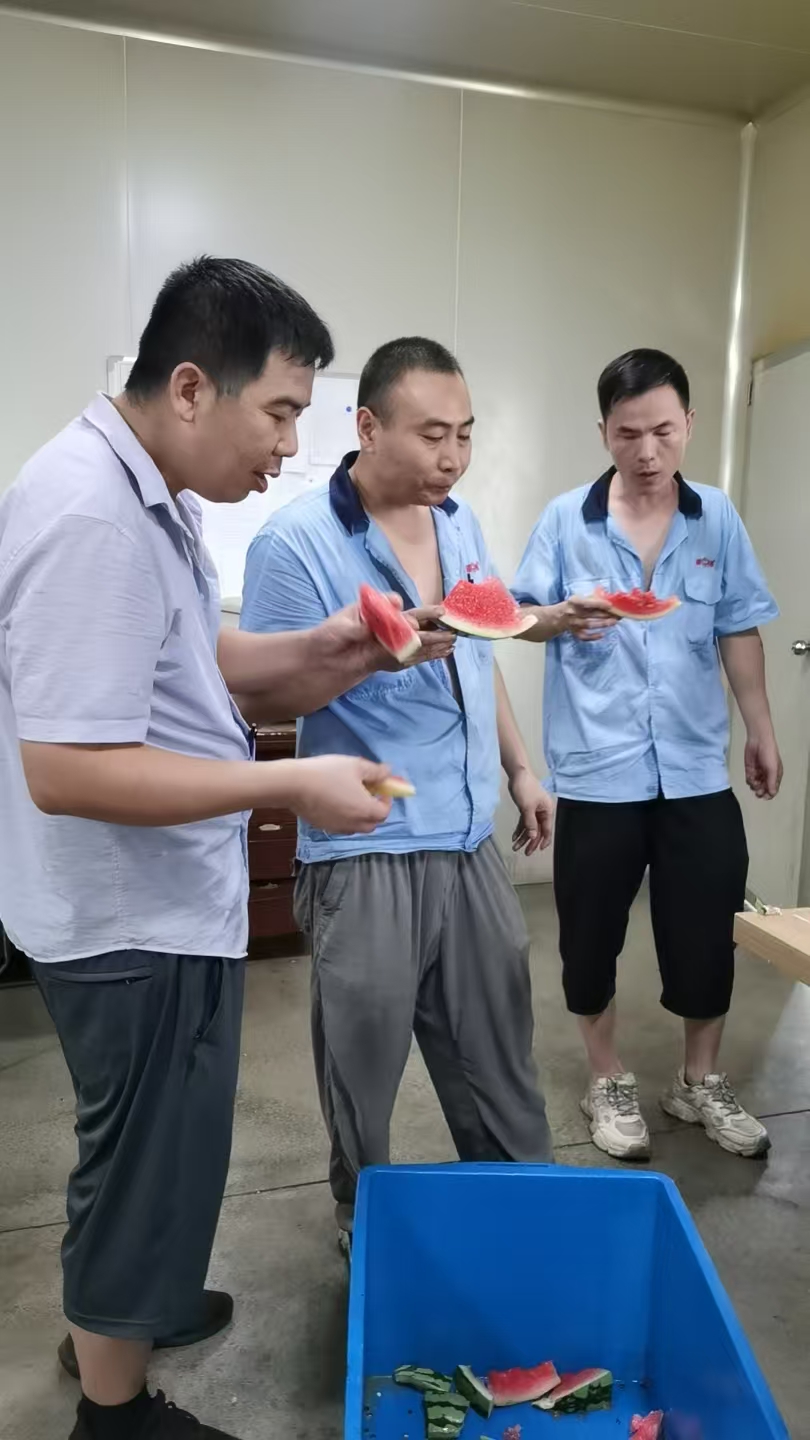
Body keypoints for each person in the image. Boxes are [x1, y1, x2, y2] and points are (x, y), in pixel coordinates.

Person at [0, 258, 449, 1440]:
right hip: (126, 921)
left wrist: (336, 648)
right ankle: (114, 1408)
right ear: (194, 387)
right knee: (138, 1163)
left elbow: (194, 659)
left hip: (166, 905)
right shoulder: (90, 515)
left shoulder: (155, 494)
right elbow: (67, 769)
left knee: (163, 1156)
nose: (292, 448)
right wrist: (292, 780)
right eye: (283, 413)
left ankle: (127, 1306)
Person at [240, 337, 555, 1248]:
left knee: (499, 1053)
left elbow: (481, 657)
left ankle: (521, 1211)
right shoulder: (294, 543)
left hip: (467, 837)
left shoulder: (460, 525)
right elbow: (264, 699)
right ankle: (363, 1214)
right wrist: (367, 656)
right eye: (431, 435)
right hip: (366, 842)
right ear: (368, 426)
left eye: (465, 434)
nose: (453, 457)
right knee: (363, 1065)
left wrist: (521, 770)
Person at [512, 348, 781, 1162]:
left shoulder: (716, 517)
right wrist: (561, 617)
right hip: (599, 770)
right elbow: (519, 618)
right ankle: (606, 1077)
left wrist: (761, 727)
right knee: (590, 936)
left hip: (695, 767)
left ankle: (699, 1080)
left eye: (664, 430)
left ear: (689, 424)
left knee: (705, 930)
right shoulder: (567, 519)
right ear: (604, 431)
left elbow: (738, 626)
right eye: (628, 434)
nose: (648, 451)